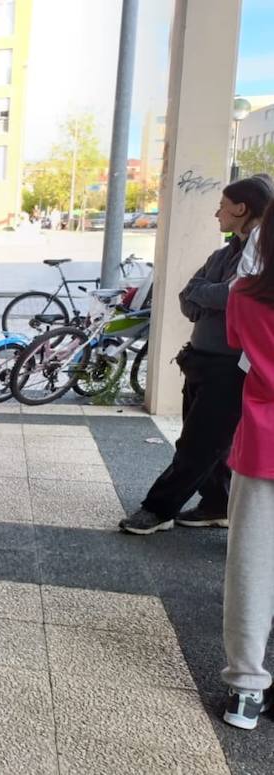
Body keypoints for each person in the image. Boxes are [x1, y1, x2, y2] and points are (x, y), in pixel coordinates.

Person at [119, 177, 272, 534]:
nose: (216, 211)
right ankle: (216, 503)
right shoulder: (224, 254)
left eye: (222, 204)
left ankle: (157, 509)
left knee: (199, 443)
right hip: (200, 359)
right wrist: (210, 295)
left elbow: (236, 297)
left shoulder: (261, 256)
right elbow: (188, 295)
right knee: (206, 439)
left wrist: (210, 295)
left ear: (241, 208)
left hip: (231, 367)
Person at [221, 206, 274, 730]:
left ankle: (246, 689)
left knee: (253, 568)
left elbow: (239, 347)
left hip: (265, 440)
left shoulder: (245, 295)